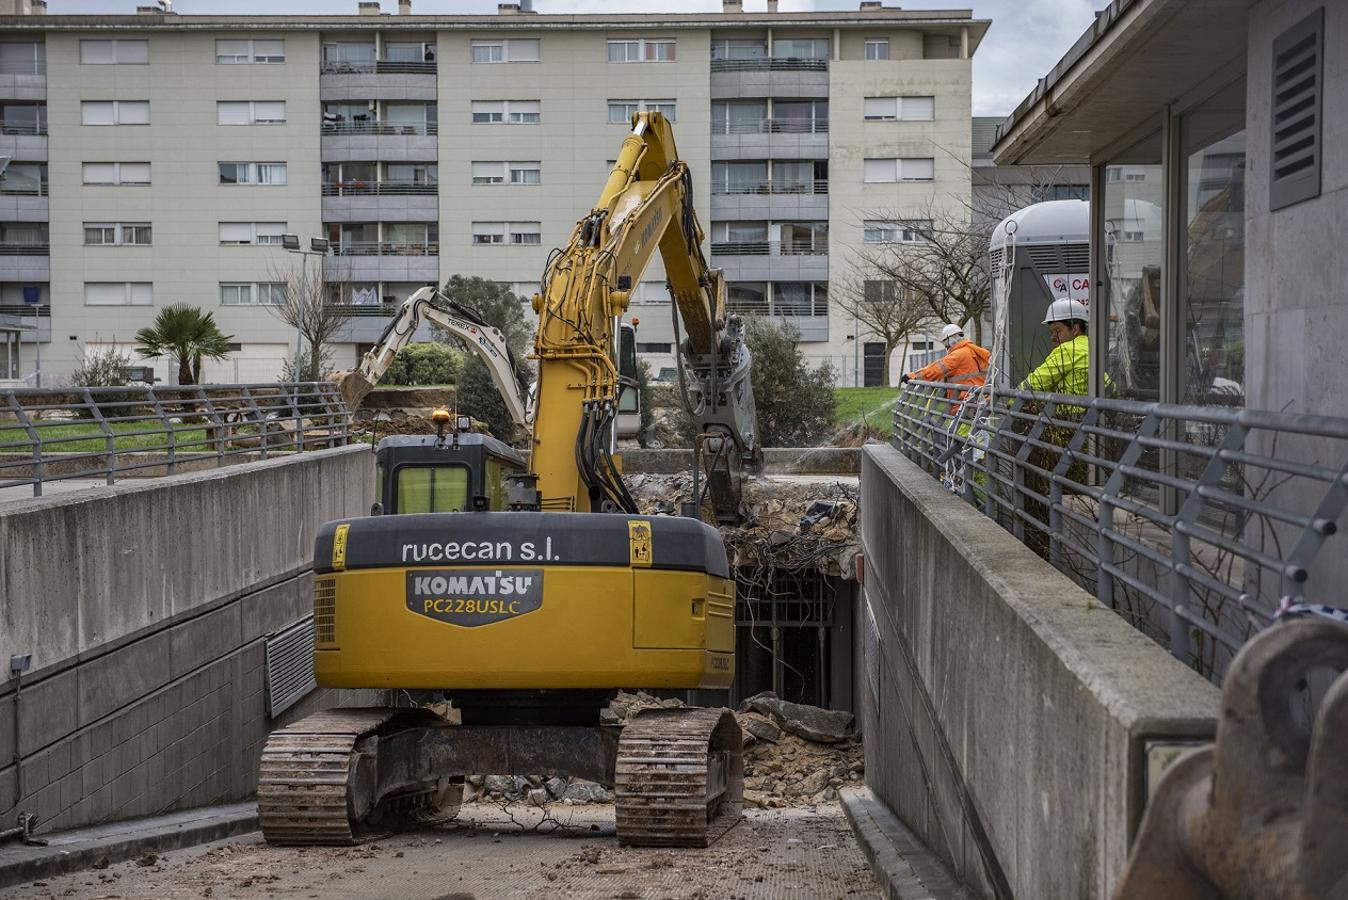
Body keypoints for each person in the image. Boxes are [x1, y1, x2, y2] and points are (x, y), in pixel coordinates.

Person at [900, 323, 990, 405]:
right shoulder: (972, 350)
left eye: (945, 342)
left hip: (966, 400)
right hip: (979, 397)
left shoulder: (958, 355)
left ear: (951, 339)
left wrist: (912, 376)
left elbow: (935, 370)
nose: (946, 346)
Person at [1022, 298, 1089, 395]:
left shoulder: (1068, 350)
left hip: (1069, 409)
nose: (1052, 337)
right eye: (1051, 332)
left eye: (1057, 331)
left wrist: (1010, 400)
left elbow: (1035, 383)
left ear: (1074, 329)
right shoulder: (1092, 348)